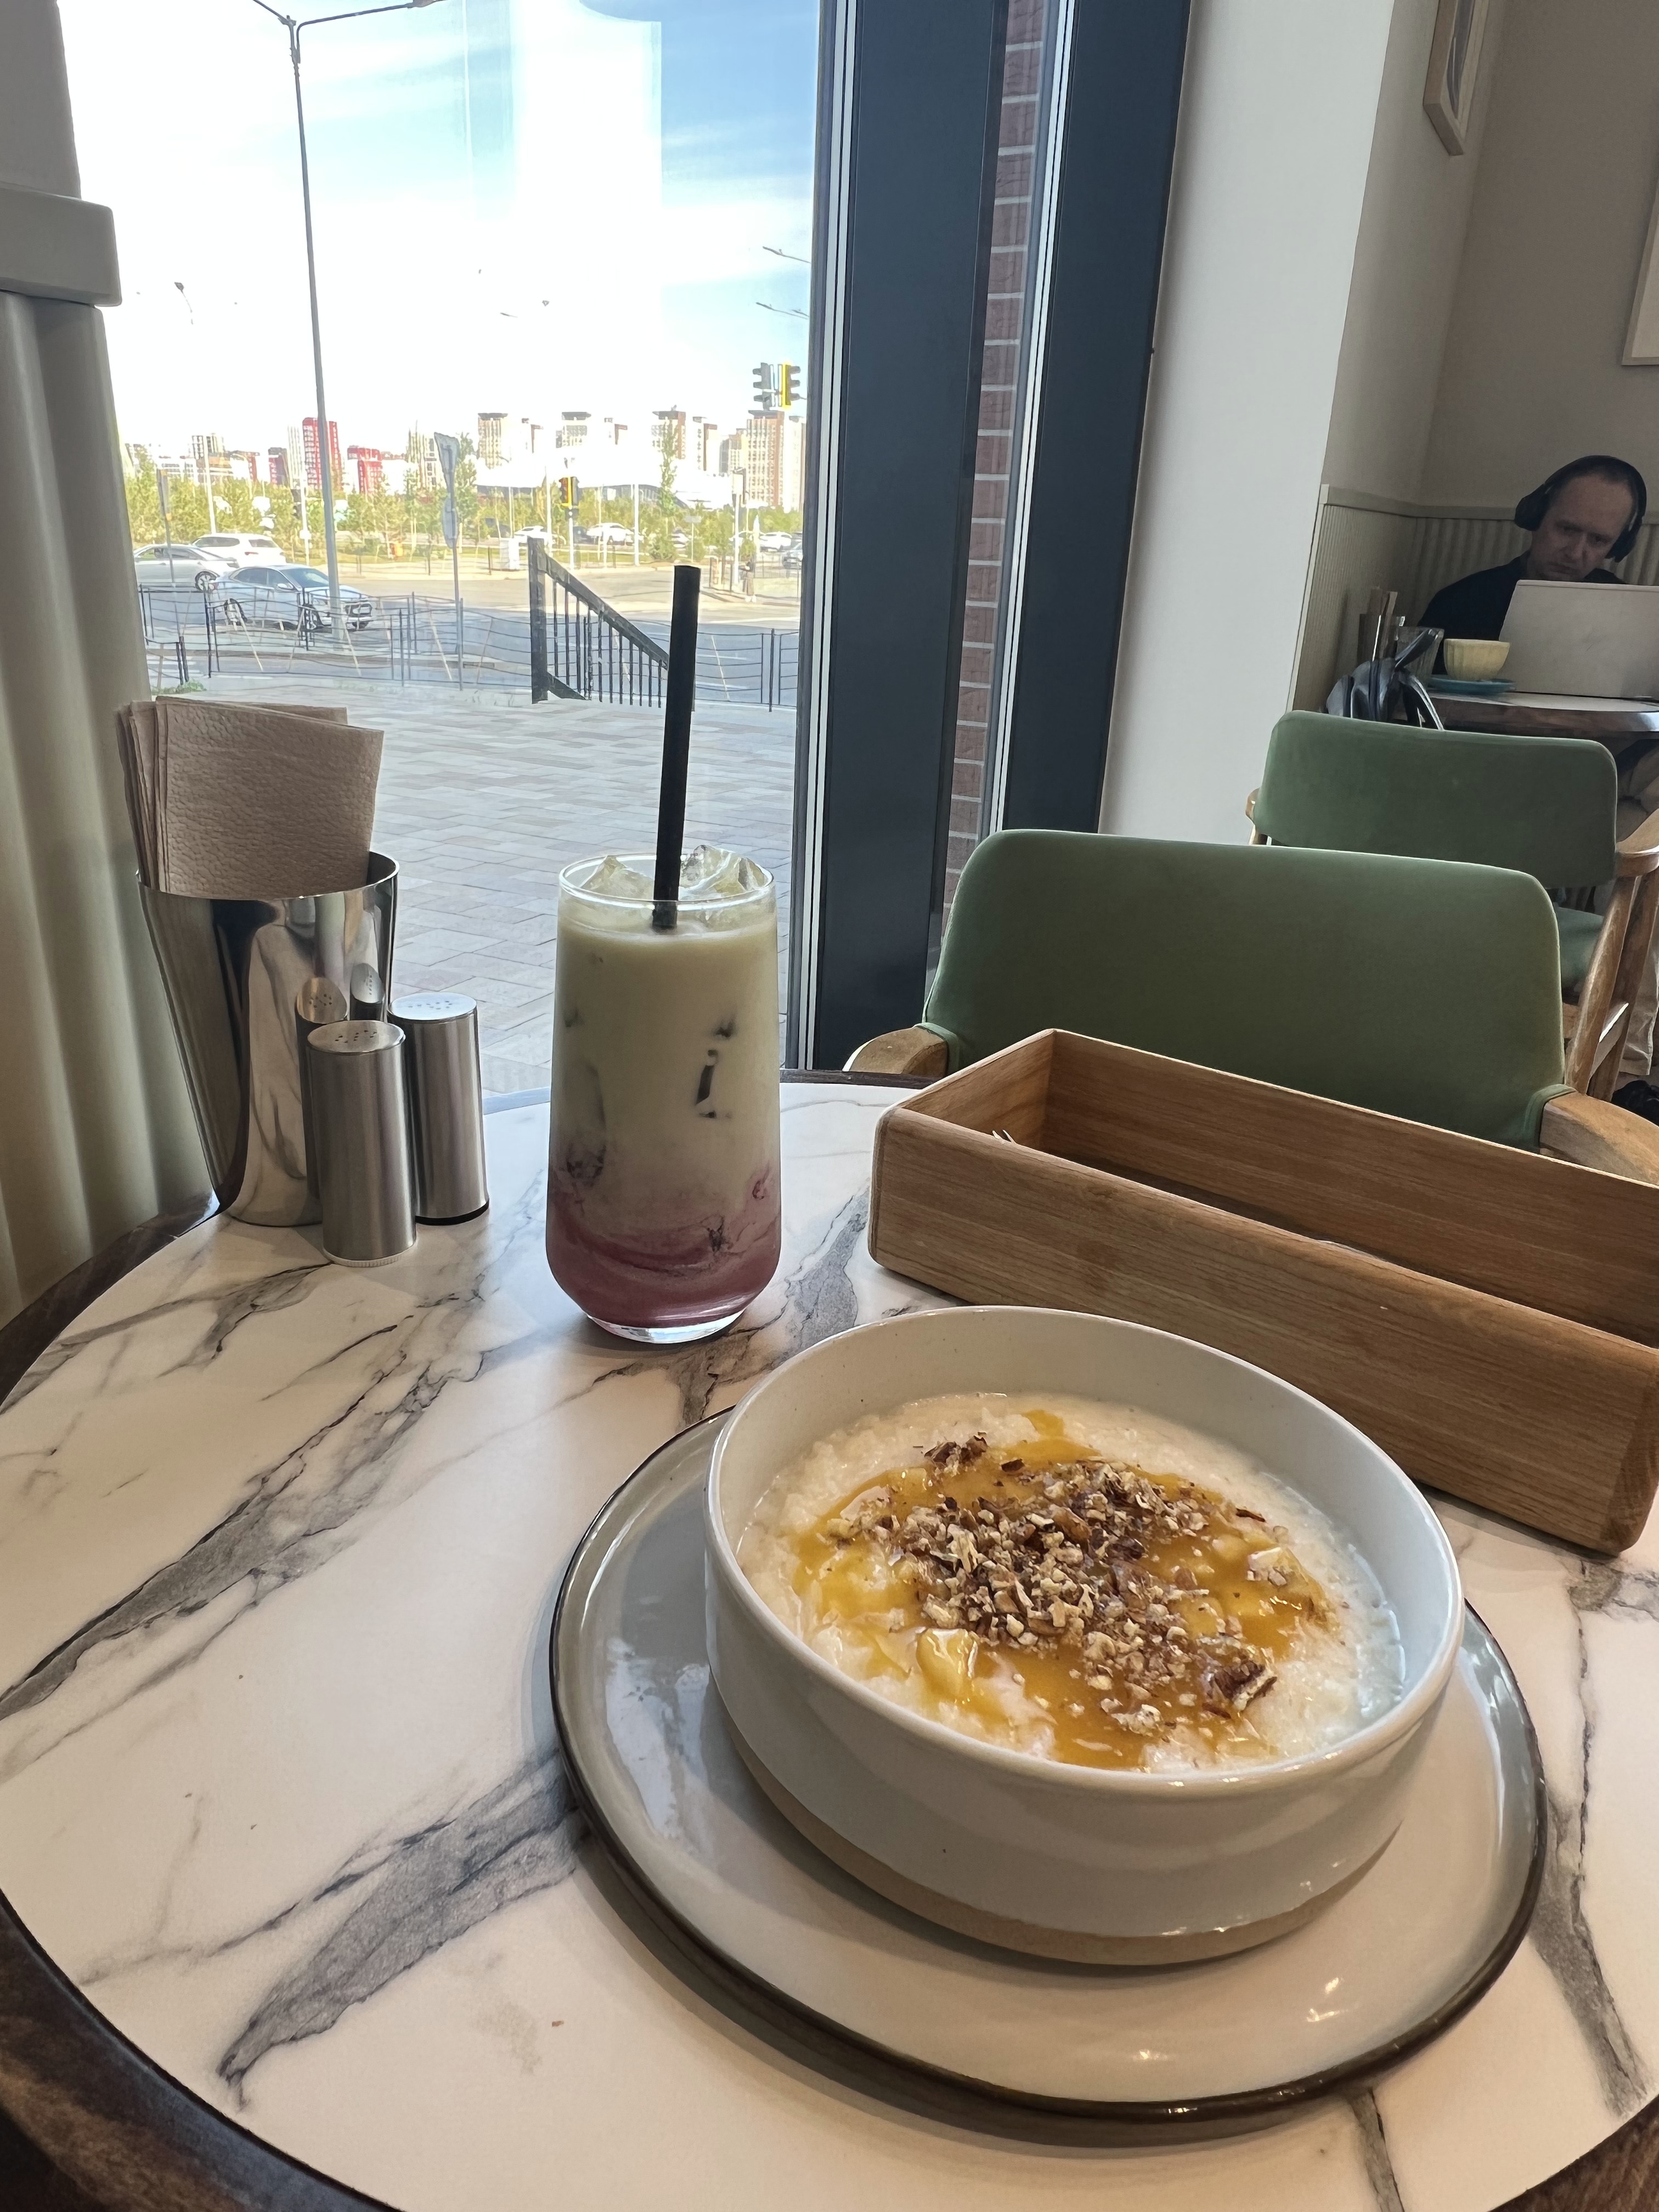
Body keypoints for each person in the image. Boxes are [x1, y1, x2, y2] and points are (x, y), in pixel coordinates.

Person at [1421, 454, 1647, 641]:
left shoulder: (1630, 614)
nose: (1575, 553)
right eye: (1567, 529)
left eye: (1598, 540)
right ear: (1535, 517)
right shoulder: (1460, 603)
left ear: (1619, 546)